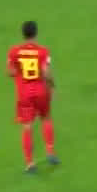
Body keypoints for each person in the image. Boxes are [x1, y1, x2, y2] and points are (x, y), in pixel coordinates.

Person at [7, 21, 58, 173]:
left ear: (23, 34)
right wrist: (52, 87)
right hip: (41, 91)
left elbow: (10, 72)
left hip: (24, 94)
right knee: (46, 118)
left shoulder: (14, 51)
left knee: (27, 127)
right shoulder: (43, 51)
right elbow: (46, 72)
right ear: (36, 33)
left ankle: (30, 163)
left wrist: (20, 74)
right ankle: (50, 151)